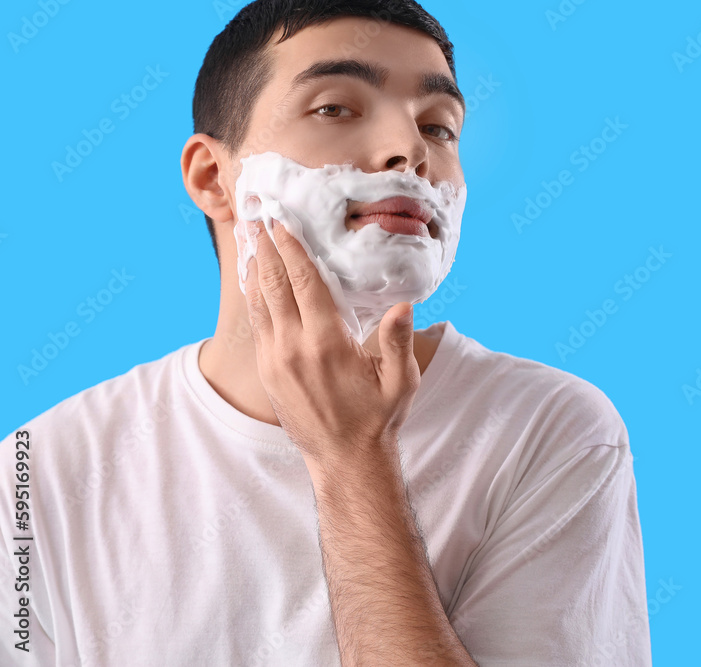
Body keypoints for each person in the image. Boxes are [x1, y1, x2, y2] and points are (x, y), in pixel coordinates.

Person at [0, 1, 652, 664]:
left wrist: (351, 459)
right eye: (335, 108)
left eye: (439, 125)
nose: (411, 152)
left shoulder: (549, 431)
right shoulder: (37, 472)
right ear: (212, 178)